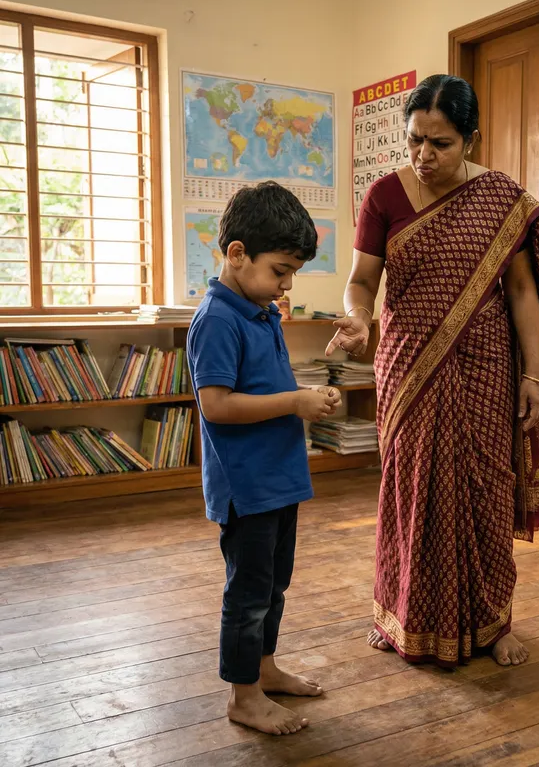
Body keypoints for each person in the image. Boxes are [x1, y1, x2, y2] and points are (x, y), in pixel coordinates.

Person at [327, 74, 539, 668]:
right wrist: (359, 319)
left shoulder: (501, 200)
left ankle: (494, 622)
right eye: (414, 140)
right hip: (409, 364)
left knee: (486, 489)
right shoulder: (384, 196)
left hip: (486, 365)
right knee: (412, 492)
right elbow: (361, 281)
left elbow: (522, 291)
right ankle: (403, 614)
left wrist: (534, 376)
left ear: (470, 139)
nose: (423, 155)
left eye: (441, 143)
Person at [187, 182, 341, 735]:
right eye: (280, 270)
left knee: (274, 584)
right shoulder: (217, 319)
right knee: (248, 593)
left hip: (279, 479)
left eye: (292, 272)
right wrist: (295, 402)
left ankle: (264, 669)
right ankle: (243, 697)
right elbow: (217, 405)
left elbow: (262, 387)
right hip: (247, 487)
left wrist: (306, 396)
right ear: (237, 254)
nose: (287, 284)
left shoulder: (260, 310)